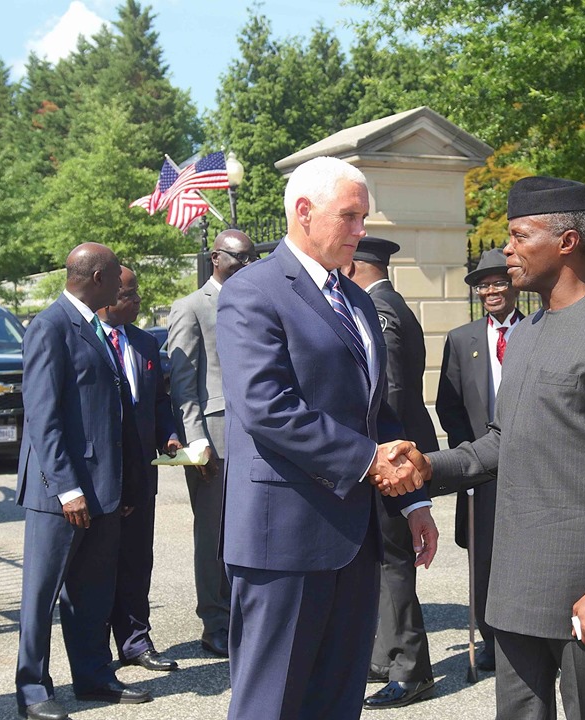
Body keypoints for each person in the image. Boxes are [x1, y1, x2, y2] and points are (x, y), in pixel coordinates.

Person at [419, 176, 585, 720]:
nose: (507, 250)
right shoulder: (526, 334)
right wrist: (425, 466)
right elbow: (499, 445)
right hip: (513, 587)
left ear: (567, 242)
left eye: (519, 235)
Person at [216, 155, 439, 720]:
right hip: (283, 542)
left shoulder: (358, 300)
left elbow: (378, 412)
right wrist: (370, 463)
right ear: (304, 212)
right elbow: (267, 407)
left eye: (364, 217)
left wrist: (412, 499)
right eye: (351, 217)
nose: (362, 231)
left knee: (338, 701)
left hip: (355, 537)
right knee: (272, 704)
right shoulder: (253, 292)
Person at [15, 243, 152, 720]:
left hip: (103, 490)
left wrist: (125, 487)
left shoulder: (96, 327)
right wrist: (67, 488)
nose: (122, 286)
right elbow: (43, 418)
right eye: (116, 277)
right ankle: (33, 690)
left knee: (92, 592)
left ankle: (93, 677)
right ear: (96, 277)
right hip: (62, 492)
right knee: (42, 594)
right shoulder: (50, 327)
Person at [342, 237, 438, 709]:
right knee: (381, 557)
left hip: (392, 456)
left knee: (392, 561)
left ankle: (411, 668)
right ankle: (385, 654)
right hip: (387, 453)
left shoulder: (379, 310)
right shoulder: (390, 303)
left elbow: (392, 392)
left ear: (358, 266)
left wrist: (389, 456)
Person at [166, 229, 257, 657]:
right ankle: (215, 622)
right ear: (216, 258)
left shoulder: (257, 300)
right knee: (213, 530)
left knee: (250, 525)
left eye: (252, 258)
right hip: (215, 432)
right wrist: (196, 441)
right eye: (239, 259)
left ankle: (246, 612)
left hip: (256, 429)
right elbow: (183, 386)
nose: (247, 266)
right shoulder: (190, 307)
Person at [435, 247, 522, 672]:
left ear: (513, 286)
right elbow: (448, 405)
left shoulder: (538, 330)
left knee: (527, 554)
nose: (492, 291)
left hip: (528, 467)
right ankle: (491, 641)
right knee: (483, 558)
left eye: (499, 282)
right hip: (481, 473)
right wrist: (466, 458)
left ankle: (531, 637)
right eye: (484, 285)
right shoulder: (461, 339)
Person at [97, 266, 182, 672]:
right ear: (108, 297)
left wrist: (168, 435)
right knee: (99, 565)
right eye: (130, 295)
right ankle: (94, 653)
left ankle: (135, 642)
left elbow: (158, 402)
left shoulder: (146, 343)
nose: (138, 302)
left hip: (140, 475)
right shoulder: (86, 340)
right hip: (100, 477)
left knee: (136, 561)